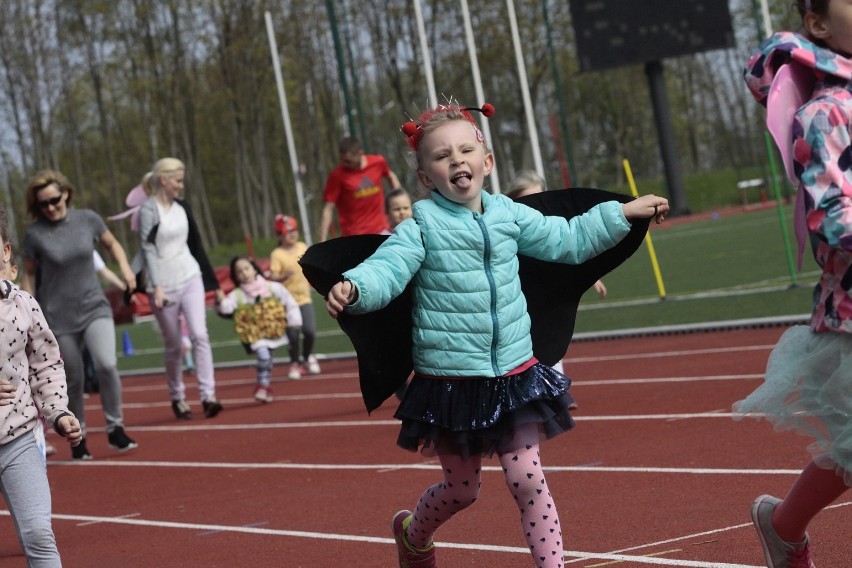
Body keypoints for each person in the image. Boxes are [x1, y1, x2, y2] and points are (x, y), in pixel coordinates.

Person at [324, 102, 668, 568]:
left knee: (528, 479)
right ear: (425, 177)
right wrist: (356, 288)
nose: (457, 160)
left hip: (514, 372)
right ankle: (413, 533)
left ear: (486, 163)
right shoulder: (421, 226)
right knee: (462, 490)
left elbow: (567, 240)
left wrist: (622, 213)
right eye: (442, 156)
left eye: (467, 150)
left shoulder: (508, 214)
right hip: (451, 382)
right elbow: (387, 270)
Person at [735, 3, 852, 566]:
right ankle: (783, 525)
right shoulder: (825, 114)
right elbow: (833, 215)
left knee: (851, 448)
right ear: (818, 23)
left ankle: (782, 524)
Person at [22, 169, 138, 460]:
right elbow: (28, 275)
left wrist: (125, 269)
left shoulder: (88, 219)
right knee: (72, 378)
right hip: (57, 315)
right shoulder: (35, 234)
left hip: (93, 306)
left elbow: (112, 245)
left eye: (54, 200)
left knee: (107, 364)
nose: (50, 207)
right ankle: (79, 435)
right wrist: (25, 310)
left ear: (66, 195)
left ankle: (115, 428)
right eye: (43, 204)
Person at [0, 201, 83, 566]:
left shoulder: (23, 304)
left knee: (38, 534)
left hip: (18, 436)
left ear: (4, 250)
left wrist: (57, 411)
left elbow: (45, 362)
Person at [137, 157, 225, 420]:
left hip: (189, 276)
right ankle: (177, 397)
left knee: (200, 335)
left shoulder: (183, 207)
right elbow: (148, 249)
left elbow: (196, 244)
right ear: (164, 180)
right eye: (178, 180)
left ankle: (208, 396)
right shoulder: (148, 211)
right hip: (162, 286)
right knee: (175, 345)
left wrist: (215, 284)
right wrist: (158, 287)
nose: (181, 186)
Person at [508, 170, 607, 312]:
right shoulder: (505, 231)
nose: (535, 205)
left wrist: (588, 275)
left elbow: (564, 247)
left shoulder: (550, 226)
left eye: (540, 198)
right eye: (528, 200)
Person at [217, 256, 302, 403]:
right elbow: (226, 308)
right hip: (255, 334)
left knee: (268, 360)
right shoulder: (237, 294)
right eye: (239, 271)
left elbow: (289, 301)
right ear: (235, 276)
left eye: (246, 268)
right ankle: (262, 386)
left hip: (273, 331)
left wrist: (294, 321)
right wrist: (219, 298)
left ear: (254, 269)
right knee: (263, 356)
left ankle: (264, 386)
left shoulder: (271, 287)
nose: (244, 273)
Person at [268, 214, 320, 380]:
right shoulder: (277, 254)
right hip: (287, 302)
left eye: (294, 230)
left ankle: (306, 358)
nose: (292, 234)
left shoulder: (302, 246)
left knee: (310, 331)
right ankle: (295, 362)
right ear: (280, 235)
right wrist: (283, 277)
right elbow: (273, 276)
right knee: (293, 335)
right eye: (287, 231)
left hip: (304, 298)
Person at [319, 137, 402, 240]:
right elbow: (328, 208)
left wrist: (399, 197)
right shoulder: (337, 176)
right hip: (355, 237)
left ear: (360, 153)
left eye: (348, 161)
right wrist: (322, 239)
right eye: (342, 160)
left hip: (382, 230)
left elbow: (390, 175)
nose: (344, 164)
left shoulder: (378, 162)